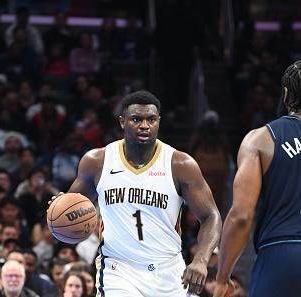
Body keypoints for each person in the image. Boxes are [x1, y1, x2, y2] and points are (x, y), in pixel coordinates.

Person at [52, 90, 222, 296]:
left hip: (168, 268)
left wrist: (202, 259)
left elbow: (211, 215)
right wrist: (59, 209)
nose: (144, 125)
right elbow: (72, 208)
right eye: (136, 119)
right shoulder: (97, 162)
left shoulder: (180, 164)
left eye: (151, 119)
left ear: (158, 121)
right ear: (122, 121)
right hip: (119, 269)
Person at [214, 60, 301, 297]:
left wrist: (222, 277)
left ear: (285, 95)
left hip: (281, 254)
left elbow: (242, 215)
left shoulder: (261, 139)